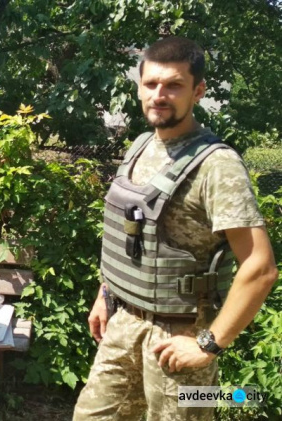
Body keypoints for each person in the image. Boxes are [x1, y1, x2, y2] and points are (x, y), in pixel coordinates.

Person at [73, 36, 278, 420]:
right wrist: (106, 293)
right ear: (139, 87)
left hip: (181, 338)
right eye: (151, 84)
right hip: (124, 323)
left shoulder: (217, 165)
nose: (160, 95)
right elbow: (129, 237)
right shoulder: (139, 147)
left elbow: (260, 267)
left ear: (198, 91)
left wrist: (210, 345)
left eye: (174, 85)